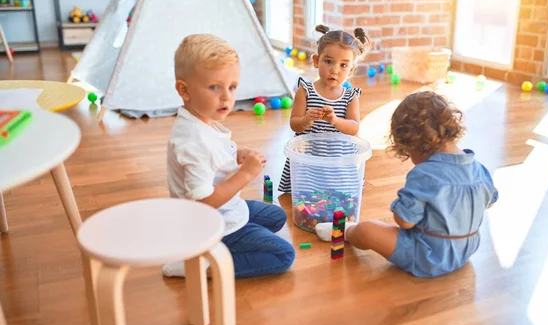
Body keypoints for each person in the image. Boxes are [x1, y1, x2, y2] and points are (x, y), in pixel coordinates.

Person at [316, 91, 498, 277]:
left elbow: (405, 222)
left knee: (367, 230)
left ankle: (346, 231)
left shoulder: (424, 174)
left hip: (428, 255)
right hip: (466, 250)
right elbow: (489, 201)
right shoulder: (479, 168)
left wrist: (402, 207)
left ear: (416, 145)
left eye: (409, 153)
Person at [164, 34, 295, 278]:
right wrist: (245, 174)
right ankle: (201, 266)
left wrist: (238, 156)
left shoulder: (202, 119)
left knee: (276, 216)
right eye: (215, 87)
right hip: (208, 224)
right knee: (283, 255)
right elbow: (203, 203)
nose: (227, 97)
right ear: (184, 89)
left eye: (232, 87)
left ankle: (230, 244)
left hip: (226, 209)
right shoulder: (193, 142)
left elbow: (216, 157)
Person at [278, 24, 371, 193]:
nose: (334, 70)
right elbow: (294, 124)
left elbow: (354, 128)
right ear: (316, 60)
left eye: (343, 65)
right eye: (328, 61)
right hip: (308, 162)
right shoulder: (305, 90)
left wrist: (335, 120)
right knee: (307, 196)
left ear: (351, 70)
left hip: (338, 164)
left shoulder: (350, 96)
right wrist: (306, 120)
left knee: (337, 196)